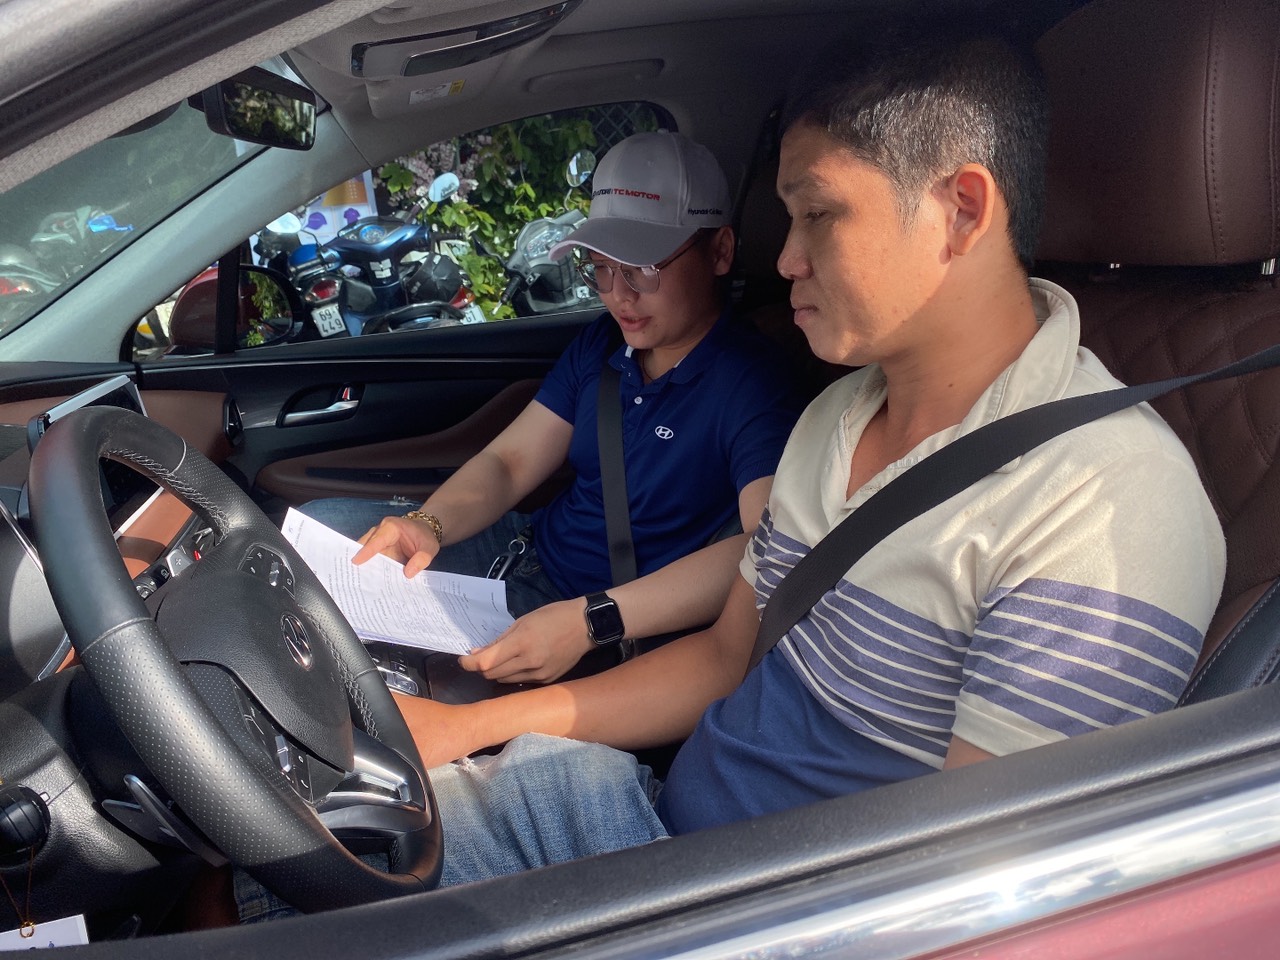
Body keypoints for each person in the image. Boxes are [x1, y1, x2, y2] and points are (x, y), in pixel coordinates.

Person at [237, 25, 1226, 918]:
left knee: (305, 879)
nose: (783, 259)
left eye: (818, 214)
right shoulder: (838, 416)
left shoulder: (1102, 501)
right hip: (651, 813)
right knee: (286, 836)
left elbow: (969, 904)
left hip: (722, 903)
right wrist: (473, 728)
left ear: (959, 210)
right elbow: (722, 662)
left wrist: (586, 633)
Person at [305, 131, 801, 684]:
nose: (618, 295)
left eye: (642, 268)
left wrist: (594, 620)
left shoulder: (754, 384)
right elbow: (510, 462)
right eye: (601, 267)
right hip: (519, 549)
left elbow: (761, 549)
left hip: (599, 617)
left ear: (721, 251)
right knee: (314, 536)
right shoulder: (602, 345)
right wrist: (428, 524)